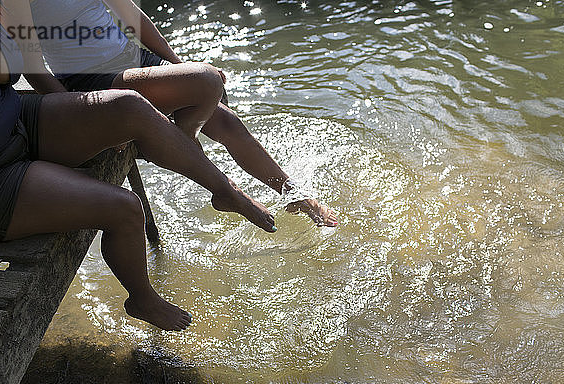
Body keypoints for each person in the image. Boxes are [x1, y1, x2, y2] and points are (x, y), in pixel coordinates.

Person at [0, 0, 278, 330]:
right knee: (128, 208)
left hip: (22, 116)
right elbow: (26, 64)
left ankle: (258, 190)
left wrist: (172, 65)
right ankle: (142, 296)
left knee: (207, 88)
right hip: (9, 155)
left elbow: (134, 18)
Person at [24, 0, 338, 227]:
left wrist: (176, 66)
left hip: (135, 60)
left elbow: (134, 17)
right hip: (94, 83)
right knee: (207, 79)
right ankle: (209, 167)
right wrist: (84, 115)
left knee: (222, 113)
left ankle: (291, 193)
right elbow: (32, 68)